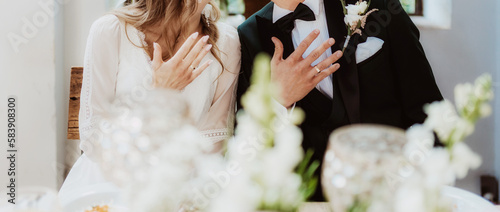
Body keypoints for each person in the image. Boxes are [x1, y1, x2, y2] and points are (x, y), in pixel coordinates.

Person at [237, 0, 443, 201]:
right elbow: (252, 147)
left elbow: (428, 111)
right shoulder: (248, 35)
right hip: (307, 200)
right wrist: (280, 100)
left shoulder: (377, 5)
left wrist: (419, 187)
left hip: (388, 192)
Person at [59, 0, 240, 204]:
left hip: (185, 191)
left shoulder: (226, 41)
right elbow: (94, 141)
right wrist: (158, 93)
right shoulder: (111, 31)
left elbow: (214, 146)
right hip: (109, 189)